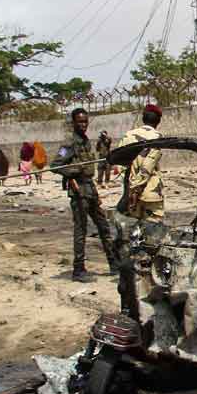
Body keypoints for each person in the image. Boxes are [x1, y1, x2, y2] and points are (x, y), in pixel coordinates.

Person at [51, 108, 117, 282]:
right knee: (81, 230)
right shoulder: (69, 143)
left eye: (85, 121)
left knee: (103, 226)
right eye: (80, 122)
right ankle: (78, 269)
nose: (83, 125)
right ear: (73, 123)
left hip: (90, 188)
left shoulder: (86, 141)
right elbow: (56, 165)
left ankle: (114, 264)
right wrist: (74, 171)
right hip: (78, 190)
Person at [116, 104, 165, 220]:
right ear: (158, 120)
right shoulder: (156, 137)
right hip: (149, 192)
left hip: (130, 191)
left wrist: (130, 186)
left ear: (143, 118)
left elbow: (120, 164)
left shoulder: (128, 135)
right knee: (153, 229)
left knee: (135, 229)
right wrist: (136, 188)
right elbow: (148, 165)